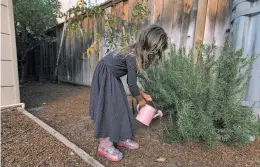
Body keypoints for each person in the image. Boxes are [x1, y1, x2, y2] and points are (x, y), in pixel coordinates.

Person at [89, 24, 168, 161]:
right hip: (105, 74)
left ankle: (120, 137)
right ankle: (104, 145)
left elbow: (132, 83)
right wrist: (141, 101)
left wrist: (141, 93)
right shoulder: (133, 56)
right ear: (150, 49)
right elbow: (131, 84)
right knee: (110, 108)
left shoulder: (134, 52)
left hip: (112, 75)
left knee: (121, 106)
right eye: (156, 52)